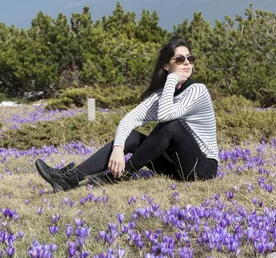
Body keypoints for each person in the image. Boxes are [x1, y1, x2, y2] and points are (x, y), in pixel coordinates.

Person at [35, 35, 219, 191]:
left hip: (201, 168)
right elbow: (129, 119)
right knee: (131, 136)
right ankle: (69, 179)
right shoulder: (162, 95)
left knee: (171, 125)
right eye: (180, 59)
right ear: (166, 65)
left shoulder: (197, 90)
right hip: (175, 167)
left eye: (190, 58)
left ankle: (120, 175)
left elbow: (166, 117)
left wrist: (172, 79)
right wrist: (118, 149)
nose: (187, 63)